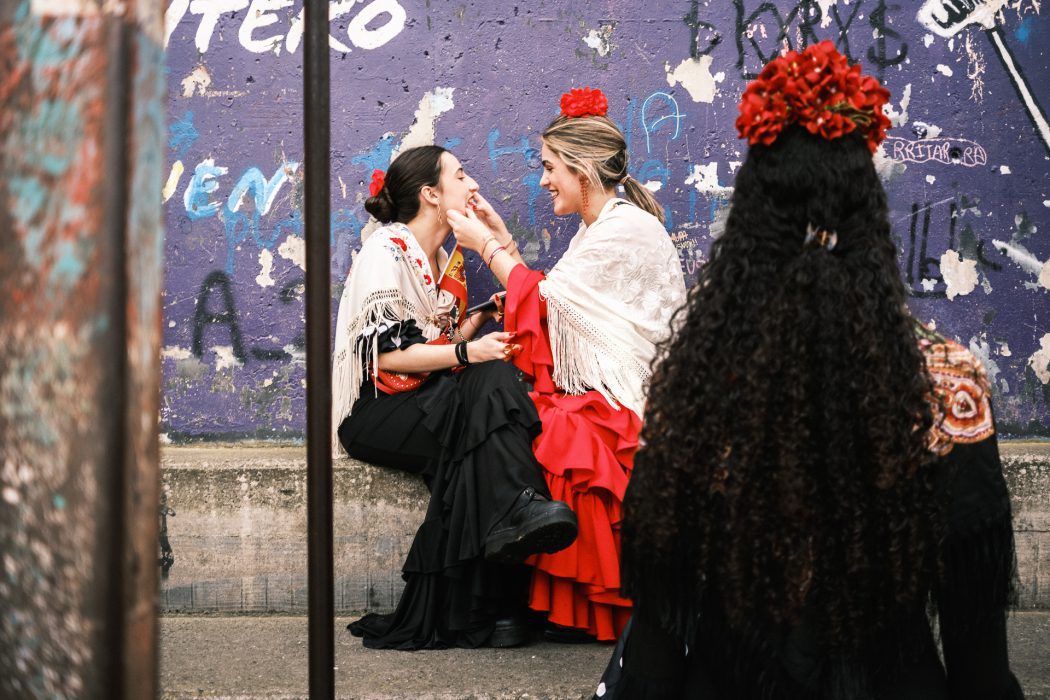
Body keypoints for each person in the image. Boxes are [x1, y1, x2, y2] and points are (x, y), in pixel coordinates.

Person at [595, 42, 1023, 698]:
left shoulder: (696, 386)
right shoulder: (947, 386)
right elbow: (979, 658)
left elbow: (659, 631)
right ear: (869, 221)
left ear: (750, 224)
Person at [448, 88, 688, 642]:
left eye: (551, 168)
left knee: (559, 433)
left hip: (631, 395)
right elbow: (558, 304)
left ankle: (565, 605)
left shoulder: (626, 228)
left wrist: (487, 245)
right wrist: (503, 241)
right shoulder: (599, 227)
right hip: (610, 385)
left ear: (582, 169)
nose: (543, 180)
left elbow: (551, 304)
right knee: (527, 415)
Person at [332, 145, 578, 650]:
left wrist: (483, 317)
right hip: (376, 411)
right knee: (486, 385)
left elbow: (440, 345)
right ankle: (503, 575)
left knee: (476, 443)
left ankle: (496, 605)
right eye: (461, 176)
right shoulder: (387, 251)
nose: (473, 187)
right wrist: (471, 351)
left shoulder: (442, 259)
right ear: (430, 195)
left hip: (426, 399)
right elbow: (387, 356)